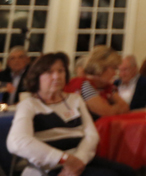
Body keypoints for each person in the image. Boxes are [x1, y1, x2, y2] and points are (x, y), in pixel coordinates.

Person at [6, 52, 136, 176]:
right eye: (49, 72)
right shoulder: (29, 104)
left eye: (61, 71)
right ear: (37, 76)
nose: (57, 76)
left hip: (81, 160)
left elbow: (91, 135)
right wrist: (64, 159)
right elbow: (17, 141)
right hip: (50, 166)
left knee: (127, 171)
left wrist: (78, 161)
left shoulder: (74, 99)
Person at [64, 46, 129, 119]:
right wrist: (116, 108)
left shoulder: (106, 86)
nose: (115, 73)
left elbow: (125, 107)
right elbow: (107, 112)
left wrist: (112, 109)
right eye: (113, 68)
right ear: (101, 66)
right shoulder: (84, 85)